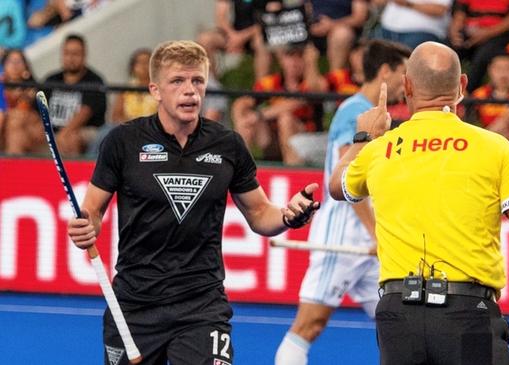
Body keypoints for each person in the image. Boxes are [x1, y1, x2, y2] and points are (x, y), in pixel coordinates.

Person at [66, 40, 320, 365]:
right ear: (155, 90)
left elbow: (259, 213)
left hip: (202, 305)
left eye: (197, 81)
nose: (190, 91)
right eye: (178, 81)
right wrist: (85, 227)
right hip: (134, 305)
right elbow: (92, 210)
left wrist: (287, 215)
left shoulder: (228, 144)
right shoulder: (123, 142)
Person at [329, 41, 509, 364]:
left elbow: (337, 186)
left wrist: (362, 139)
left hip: (398, 315)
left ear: (407, 87)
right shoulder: (493, 147)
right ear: (461, 87)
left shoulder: (380, 149)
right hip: (467, 312)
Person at [274, 39, 411, 365]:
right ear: (384, 71)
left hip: (369, 236)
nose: (406, 84)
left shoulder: (377, 114)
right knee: (309, 324)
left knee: (398, 324)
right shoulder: (354, 112)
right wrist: (377, 232)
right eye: (402, 73)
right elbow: (347, 180)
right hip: (344, 234)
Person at [230, 43, 328, 165]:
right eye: (289, 56)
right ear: (281, 60)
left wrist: (259, 115)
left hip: (305, 138)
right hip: (271, 139)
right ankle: (240, 169)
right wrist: (241, 120)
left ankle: (290, 168)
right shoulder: (271, 82)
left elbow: (297, 102)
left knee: (285, 119)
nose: (294, 62)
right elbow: (242, 102)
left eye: (299, 56)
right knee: (245, 117)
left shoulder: (313, 82)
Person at [44, 33, 106, 156]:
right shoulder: (51, 79)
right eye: (67, 53)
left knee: (70, 138)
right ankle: (13, 173)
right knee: (19, 130)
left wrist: (62, 134)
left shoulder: (94, 80)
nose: (71, 58)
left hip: (86, 130)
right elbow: (38, 112)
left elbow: (85, 113)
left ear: (84, 55)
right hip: (53, 131)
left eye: (75, 54)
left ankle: (69, 175)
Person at [449, 0, 509, 92]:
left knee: (483, 55)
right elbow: (460, 11)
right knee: (446, 50)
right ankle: (438, 91)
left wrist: (487, 33)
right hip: (470, 29)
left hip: (499, 33)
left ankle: (466, 94)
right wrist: (455, 31)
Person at [469, 52, 509, 150]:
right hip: (486, 143)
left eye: (508, 68)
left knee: (505, 136)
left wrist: (478, 144)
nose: (503, 74)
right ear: (490, 70)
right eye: (498, 69)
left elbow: (507, 121)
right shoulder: (480, 94)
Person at [1, 48, 44, 155]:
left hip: (30, 134)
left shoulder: (32, 90)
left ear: (26, 67)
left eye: (18, 61)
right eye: (11, 61)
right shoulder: (1, 86)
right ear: (4, 66)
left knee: (15, 123)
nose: (15, 65)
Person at [374, 0, 452, 50]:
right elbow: (377, 2)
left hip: (422, 32)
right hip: (387, 28)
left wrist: (407, 4)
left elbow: (440, 10)